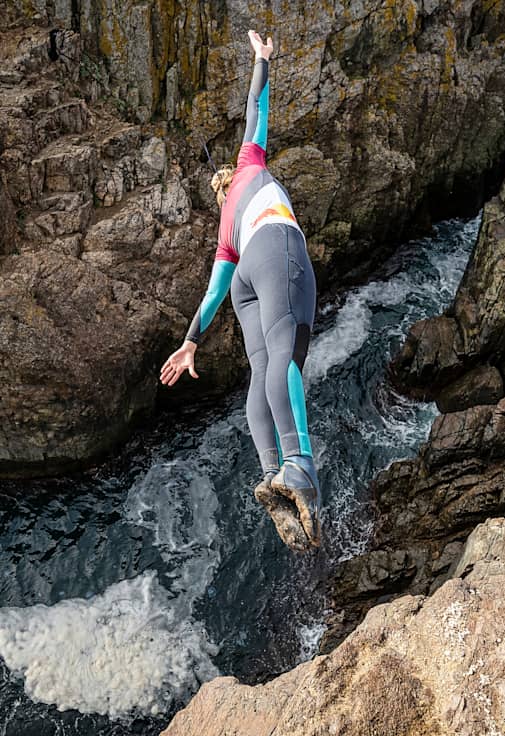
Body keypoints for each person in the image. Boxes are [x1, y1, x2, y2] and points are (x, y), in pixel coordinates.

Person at [160, 30, 321, 552]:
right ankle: (299, 466)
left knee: (260, 371)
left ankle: (271, 470)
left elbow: (211, 299)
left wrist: (191, 343)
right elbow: (256, 109)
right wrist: (262, 59)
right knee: (285, 355)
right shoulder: (251, 163)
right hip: (276, 246)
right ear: (232, 175)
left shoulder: (224, 234)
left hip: (243, 276)